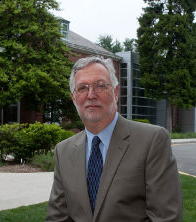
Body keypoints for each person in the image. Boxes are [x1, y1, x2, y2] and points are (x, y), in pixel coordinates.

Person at [45, 56, 182, 222]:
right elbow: (57, 217)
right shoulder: (63, 151)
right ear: (74, 98)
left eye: (100, 85)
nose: (91, 95)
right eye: (82, 88)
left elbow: (165, 218)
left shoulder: (152, 141)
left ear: (116, 93)